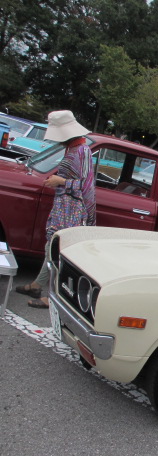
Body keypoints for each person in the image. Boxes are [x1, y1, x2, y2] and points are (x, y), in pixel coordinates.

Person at [15, 110, 95, 309]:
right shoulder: (72, 148)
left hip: (72, 208)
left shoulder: (82, 150)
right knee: (52, 246)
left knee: (58, 250)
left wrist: (61, 181)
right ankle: (38, 285)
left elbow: (86, 185)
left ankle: (53, 297)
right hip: (64, 206)